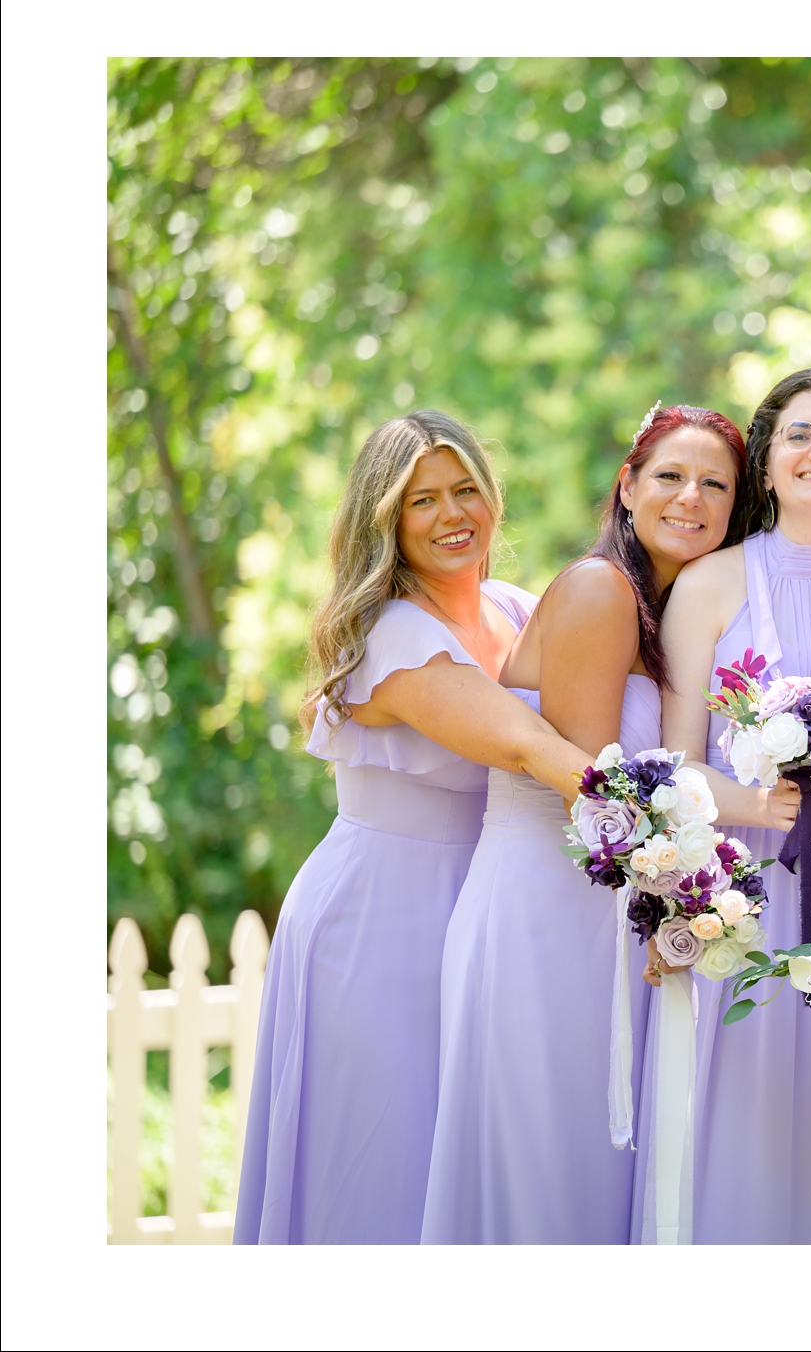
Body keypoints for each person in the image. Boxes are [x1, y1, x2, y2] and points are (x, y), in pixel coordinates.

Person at [235, 410, 594, 1244]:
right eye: (421, 500)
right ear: (385, 521)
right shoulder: (389, 633)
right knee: (383, 1163)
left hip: (486, 906)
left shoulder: (515, 608)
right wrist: (667, 827)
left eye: (466, 490)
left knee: (464, 1157)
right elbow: (524, 744)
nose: (452, 515)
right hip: (377, 921)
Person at [420, 404, 749, 1243]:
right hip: (547, 909)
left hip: (602, 908)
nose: (692, 498)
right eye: (671, 476)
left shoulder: (672, 617)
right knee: (549, 1171)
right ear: (627, 487)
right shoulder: (601, 591)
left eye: (716, 484)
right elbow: (590, 790)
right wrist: (680, 909)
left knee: (596, 1170)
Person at [653, 368, 811, 1243]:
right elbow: (670, 767)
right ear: (765, 465)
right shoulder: (711, 586)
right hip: (744, 901)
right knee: (747, 1143)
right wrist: (758, 805)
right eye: (799, 434)